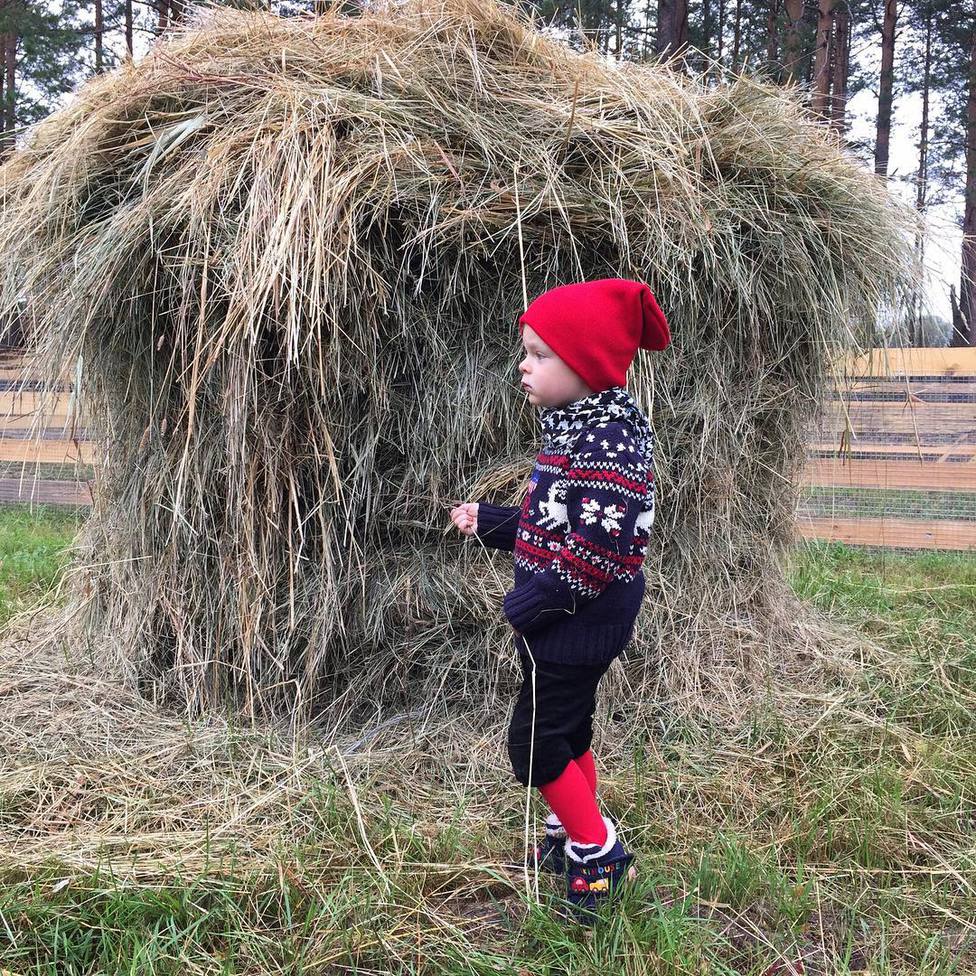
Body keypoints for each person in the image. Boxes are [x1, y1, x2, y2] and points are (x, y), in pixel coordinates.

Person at [449, 277, 671, 925]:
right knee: (569, 730)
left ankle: (597, 854)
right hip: (564, 623)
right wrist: (491, 522)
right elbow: (550, 521)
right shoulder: (574, 428)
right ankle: (569, 830)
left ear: (587, 364)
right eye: (526, 350)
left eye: (540, 354)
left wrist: (531, 605)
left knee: (535, 743)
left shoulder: (610, 444)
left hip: (577, 623)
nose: (524, 363)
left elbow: (595, 553)